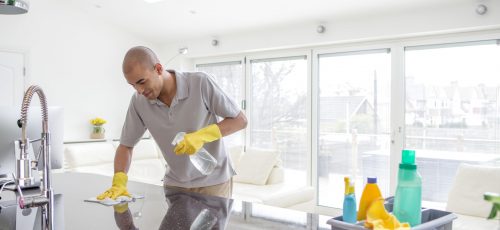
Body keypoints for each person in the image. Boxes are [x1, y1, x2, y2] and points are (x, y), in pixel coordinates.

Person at [97, 46, 247, 200]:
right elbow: (125, 146)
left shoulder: (200, 83)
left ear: (159, 69)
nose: (139, 90)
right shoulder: (138, 102)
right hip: (175, 184)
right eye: (133, 85)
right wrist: (119, 183)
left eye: (142, 82)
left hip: (214, 182)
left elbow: (240, 120)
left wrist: (201, 136)